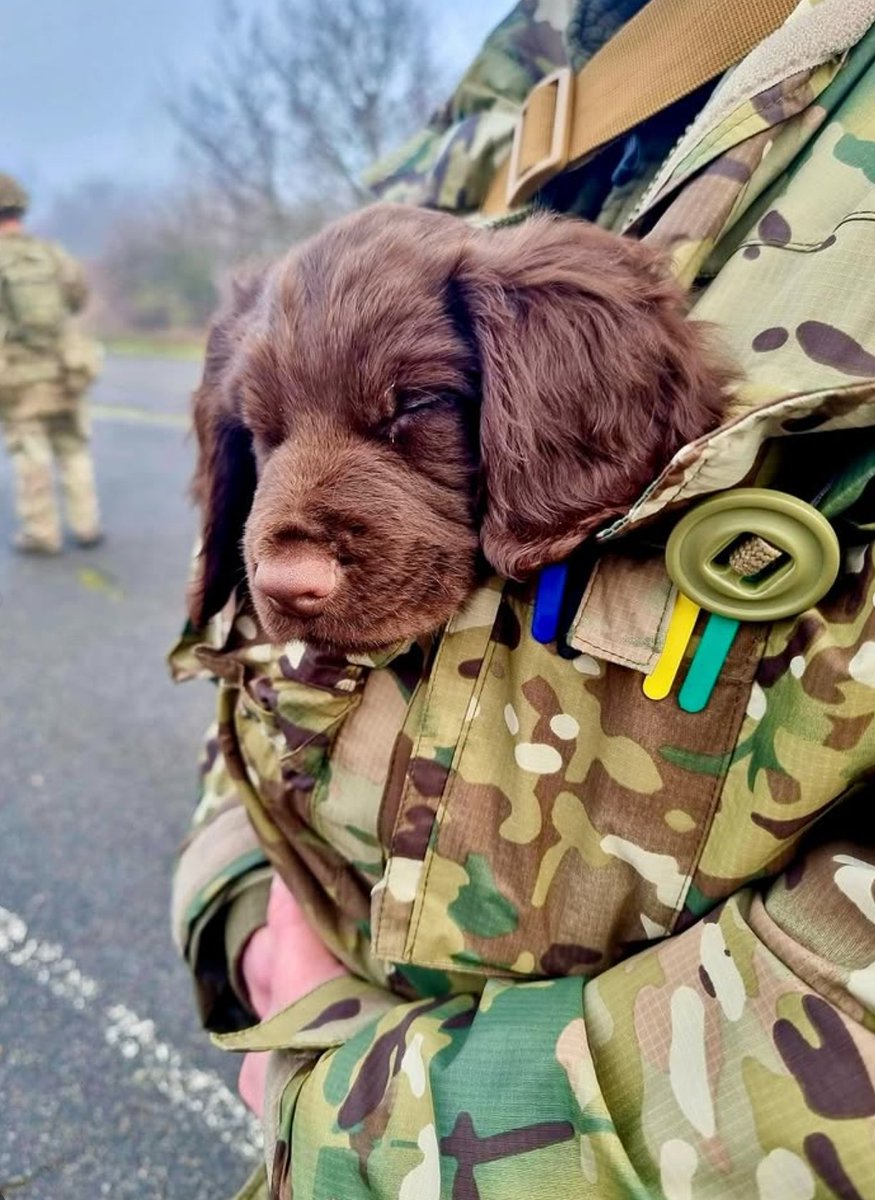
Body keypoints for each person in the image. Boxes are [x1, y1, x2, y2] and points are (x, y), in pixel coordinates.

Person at [171, 2, 875, 1196]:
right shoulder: (512, 89)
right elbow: (248, 664)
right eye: (268, 434)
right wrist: (246, 904)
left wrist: (364, 1127)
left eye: (413, 412)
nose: (288, 565)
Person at [0, 171, 102, 554]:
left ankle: (42, 532)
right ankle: (87, 525)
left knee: (31, 451)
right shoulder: (51, 254)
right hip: (66, 368)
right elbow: (78, 298)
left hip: (18, 375)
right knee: (73, 446)